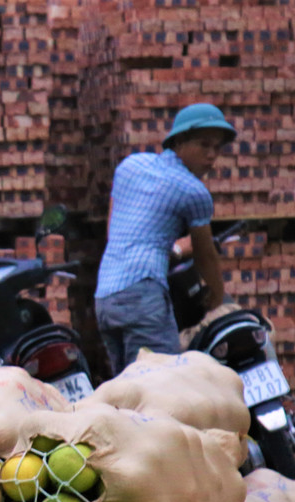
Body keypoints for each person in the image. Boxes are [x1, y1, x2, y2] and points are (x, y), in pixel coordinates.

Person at [94, 102, 236, 375]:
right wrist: (217, 297)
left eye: (217, 148)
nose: (211, 155)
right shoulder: (194, 192)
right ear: (179, 141)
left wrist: (169, 251)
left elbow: (115, 230)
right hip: (143, 297)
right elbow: (206, 255)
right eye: (204, 145)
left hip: (105, 297)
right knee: (163, 385)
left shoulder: (130, 166)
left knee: (128, 391)